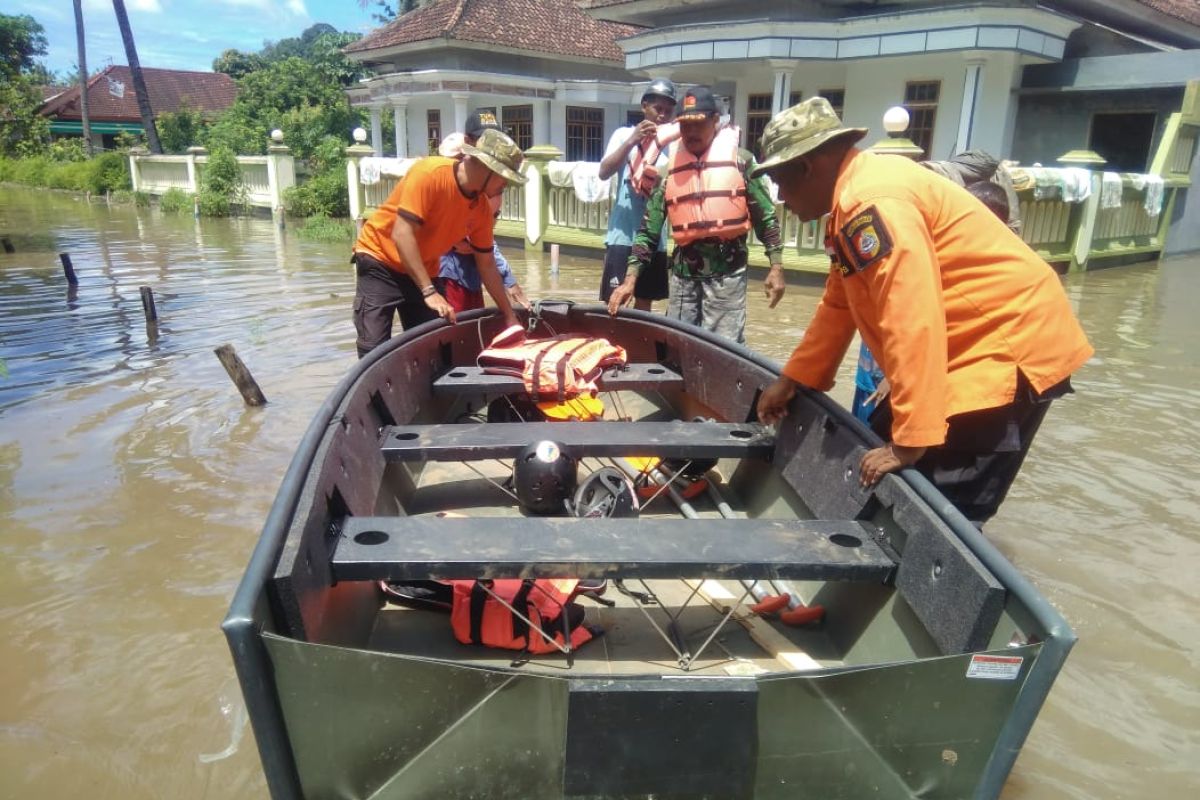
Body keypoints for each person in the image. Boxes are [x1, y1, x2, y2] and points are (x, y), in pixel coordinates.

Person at [753, 97, 1093, 525]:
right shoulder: (851, 199)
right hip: (961, 346)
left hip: (1005, 347)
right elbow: (840, 304)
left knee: (945, 504)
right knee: (881, 453)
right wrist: (793, 380)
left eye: (780, 182)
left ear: (805, 167)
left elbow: (910, 315)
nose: (780, 197)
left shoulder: (870, 201)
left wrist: (911, 439)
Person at [608, 86, 786, 344]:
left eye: (698, 124)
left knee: (724, 350)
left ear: (715, 121)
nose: (691, 132)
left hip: (728, 276)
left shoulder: (741, 162)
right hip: (683, 280)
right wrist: (629, 280)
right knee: (679, 347)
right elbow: (648, 232)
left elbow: (766, 218)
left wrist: (776, 266)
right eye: (685, 125)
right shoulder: (669, 173)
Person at [849, 177, 1013, 424]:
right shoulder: (923, 247)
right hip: (875, 365)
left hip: (907, 376)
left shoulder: (986, 273)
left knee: (886, 437)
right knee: (862, 429)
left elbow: (943, 333)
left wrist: (894, 379)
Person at [351, 128, 526, 357]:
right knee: (374, 347)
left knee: (437, 346)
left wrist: (510, 316)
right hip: (380, 259)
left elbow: (487, 265)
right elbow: (402, 235)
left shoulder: (481, 209)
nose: (505, 186)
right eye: (504, 178)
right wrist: (429, 291)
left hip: (424, 266)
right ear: (486, 167)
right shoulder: (430, 173)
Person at [436, 111, 530, 313]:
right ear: (470, 143)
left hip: (473, 272)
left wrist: (508, 280)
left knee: (473, 326)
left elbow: (482, 243)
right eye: (485, 139)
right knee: (454, 328)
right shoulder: (449, 180)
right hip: (449, 271)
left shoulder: (491, 189)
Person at [596, 78, 678, 311]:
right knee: (613, 305)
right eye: (657, 109)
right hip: (622, 236)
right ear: (644, 106)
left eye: (668, 111)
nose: (662, 115)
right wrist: (633, 140)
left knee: (644, 307)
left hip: (654, 239)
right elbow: (604, 172)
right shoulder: (623, 135)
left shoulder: (672, 145)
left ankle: (639, 348)